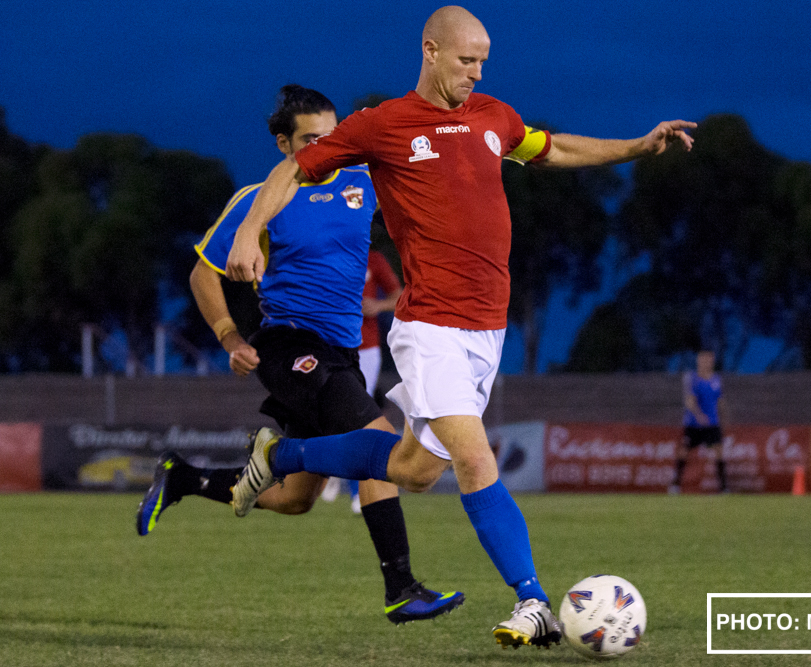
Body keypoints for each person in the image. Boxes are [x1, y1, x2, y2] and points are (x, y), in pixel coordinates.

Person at [225, 5, 695, 649]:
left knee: (416, 469)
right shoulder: (382, 125)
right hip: (431, 327)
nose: (477, 72)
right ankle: (532, 601)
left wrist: (638, 146)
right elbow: (290, 170)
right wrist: (251, 229)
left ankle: (283, 454)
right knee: (477, 461)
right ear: (431, 51)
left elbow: (552, 148)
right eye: (466, 60)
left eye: (483, 61)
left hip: (486, 332)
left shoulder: (494, 117)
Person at [134, 84, 463, 625]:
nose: (324, 146)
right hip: (290, 348)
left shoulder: (363, 181)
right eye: (310, 139)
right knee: (376, 448)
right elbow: (201, 274)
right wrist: (229, 337)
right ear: (285, 144)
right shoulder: (258, 202)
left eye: (331, 136)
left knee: (294, 500)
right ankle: (401, 588)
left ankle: (183, 477)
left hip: (342, 353)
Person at [322, 249, 402, 511]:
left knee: (357, 415)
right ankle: (335, 470)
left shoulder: (374, 259)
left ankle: (357, 491)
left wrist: (378, 305)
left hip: (366, 349)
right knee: (332, 414)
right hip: (330, 345)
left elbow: (399, 295)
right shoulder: (326, 253)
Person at [674, 350, 729, 493]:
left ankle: (723, 488)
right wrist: (698, 415)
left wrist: (723, 417)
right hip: (693, 424)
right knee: (684, 451)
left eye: (709, 360)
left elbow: (720, 400)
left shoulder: (716, 379)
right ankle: (675, 485)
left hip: (712, 424)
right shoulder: (692, 378)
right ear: (698, 361)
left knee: (719, 451)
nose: (706, 362)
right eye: (703, 360)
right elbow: (690, 401)